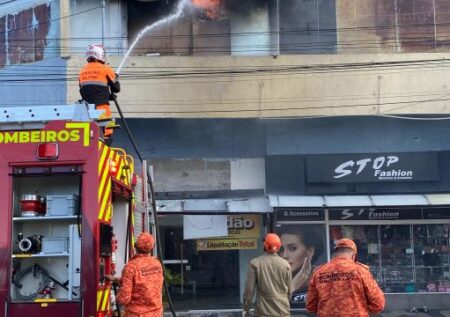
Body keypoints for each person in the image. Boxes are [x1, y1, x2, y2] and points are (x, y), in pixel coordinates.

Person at [306, 238, 385, 317]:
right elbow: (378, 304)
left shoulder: (318, 272)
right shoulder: (361, 271)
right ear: (354, 255)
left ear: (335, 253)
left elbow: (310, 306)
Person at [107, 232, 164, 317]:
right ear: (152, 248)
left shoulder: (131, 267)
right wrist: (116, 280)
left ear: (135, 246)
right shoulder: (157, 264)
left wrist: (112, 299)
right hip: (157, 314)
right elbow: (145, 284)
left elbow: (124, 299)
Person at [242, 233, 292, 317]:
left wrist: (246, 308)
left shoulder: (255, 263)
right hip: (282, 311)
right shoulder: (286, 264)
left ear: (265, 245)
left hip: (263, 311)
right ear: (279, 246)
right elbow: (289, 291)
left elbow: (249, 290)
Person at [78, 44, 120, 140]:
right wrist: (116, 78)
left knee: (90, 137)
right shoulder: (105, 69)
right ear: (100, 54)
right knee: (107, 135)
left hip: (87, 111)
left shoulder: (82, 72)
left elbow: (86, 90)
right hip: (102, 109)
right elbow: (116, 88)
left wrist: (108, 96)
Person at [279, 226, 324, 306]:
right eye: (281, 250)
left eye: (292, 248)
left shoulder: (321, 278)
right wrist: (292, 288)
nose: (284, 255)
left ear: (310, 251)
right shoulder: (277, 278)